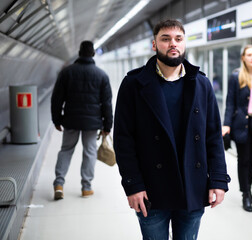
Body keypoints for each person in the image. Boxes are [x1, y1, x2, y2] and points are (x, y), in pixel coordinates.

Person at [113, 19, 230, 240]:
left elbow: (213, 136)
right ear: (154, 44)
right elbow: (123, 140)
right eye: (165, 39)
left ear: (185, 43)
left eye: (178, 39)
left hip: (192, 188)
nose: (172, 44)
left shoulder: (200, 84)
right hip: (151, 189)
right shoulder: (134, 84)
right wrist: (133, 185)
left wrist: (218, 180)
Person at [51, 40, 113, 200]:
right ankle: (86, 187)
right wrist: (108, 125)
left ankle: (59, 184)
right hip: (92, 123)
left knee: (66, 150)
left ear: (79, 53)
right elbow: (107, 103)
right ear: (92, 54)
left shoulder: (67, 72)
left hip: (71, 119)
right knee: (90, 151)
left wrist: (56, 119)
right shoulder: (101, 75)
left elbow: (57, 98)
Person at [222, 44, 252, 212]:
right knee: (244, 160)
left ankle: (248, 188)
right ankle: (245, 195)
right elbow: (230, 102)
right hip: (241, 124)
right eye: (249, 54)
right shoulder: (236, 77)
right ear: (243, 57)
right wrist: (226, 124)